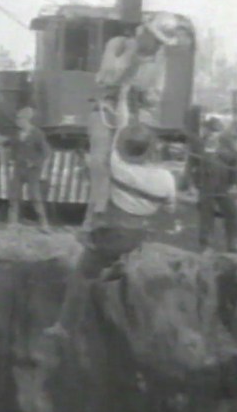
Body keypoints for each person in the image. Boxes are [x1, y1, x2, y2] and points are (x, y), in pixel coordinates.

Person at [46, 121, 177, 338]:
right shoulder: (166, 179)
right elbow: (170, 209)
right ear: (151, 149)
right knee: (118, 265)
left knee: (82, 274)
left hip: (110, 236)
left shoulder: (117, 167)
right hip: (139, 237)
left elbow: (116, 137)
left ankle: (64, 326)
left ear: (123, 148)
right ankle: (117, 275)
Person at [182, 116, 237, 253]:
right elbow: (190, 165)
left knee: (232, 213)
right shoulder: (198, 145)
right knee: (206, 215)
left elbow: (236, 164)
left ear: (220, 132)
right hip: (205, 184)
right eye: (211, 130)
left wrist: (234, 184)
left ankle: (234, 243)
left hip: (224, 185)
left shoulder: (227, 144)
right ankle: (206, 244)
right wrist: (190, 185)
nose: (213, 134)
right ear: (206, 130)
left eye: (216, 131)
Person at [9, 106, 52, 230]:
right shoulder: (17, 134)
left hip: (32, 170)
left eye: (20, 119)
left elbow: (46, 152)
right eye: (17, 119)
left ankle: (44, 224)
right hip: (19, 168)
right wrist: (13, 158)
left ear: (26, 120)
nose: (17, 122)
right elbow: (13, 147)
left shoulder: (37, 133)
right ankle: (12, 223)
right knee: (14, 195)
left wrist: (35, 163)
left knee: (35, 196)